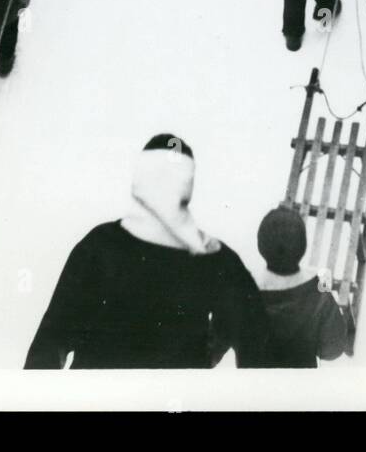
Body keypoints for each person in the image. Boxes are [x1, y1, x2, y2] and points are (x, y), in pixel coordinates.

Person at [24, 134, 271, 369]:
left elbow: (51, 342)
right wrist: (208, 355)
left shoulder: (99, 245)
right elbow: (255, 346)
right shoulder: (216, 261)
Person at [255, 206, 350, 367]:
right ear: (303, 247)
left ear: (260, 246)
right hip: (301, 387)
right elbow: (332, 350)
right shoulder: (319, 294)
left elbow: (210, 352)